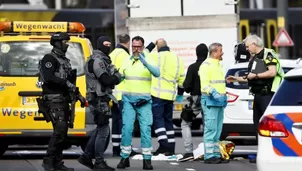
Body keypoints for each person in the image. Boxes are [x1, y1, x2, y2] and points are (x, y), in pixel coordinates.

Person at [226, 34, 284, 163]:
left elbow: (272, 72)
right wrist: (236, 78)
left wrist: (256, 76)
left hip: (267, 95)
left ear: (254, 44)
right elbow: (249, 76)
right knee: (257, 126)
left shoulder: (268, 54)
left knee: (269, 126)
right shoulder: (255, 58)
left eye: (247, 46)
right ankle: (262, 153)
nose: (247, 49)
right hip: (258, 96)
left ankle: (273, 153)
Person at [39, 32, 86, 171]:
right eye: (65, 42)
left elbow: (70, 83)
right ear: (57, 43)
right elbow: (49, 77)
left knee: (63, 133)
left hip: (63, 99)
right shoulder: (49, 58)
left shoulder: (65, 60)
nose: (67, 45)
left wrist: (79, 96)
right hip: (53, 99)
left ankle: (57, 163)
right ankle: (48, 161)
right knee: (59, 131)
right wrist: (66, 84)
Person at [77, 36, 122, 171]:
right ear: (99, 45)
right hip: (98, 99)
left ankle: (86, 156)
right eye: (105, 44)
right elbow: (106, 80)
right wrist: (117, 77)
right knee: (103, 131)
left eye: (109, 44)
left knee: (100, 129)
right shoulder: (98, 61)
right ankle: (98, 162)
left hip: (99, 98)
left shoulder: (101, 60)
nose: (108, 46)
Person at [117, 36, 160, 170]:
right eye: (134, 47)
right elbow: (119, 78)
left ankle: (147, 160)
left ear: (142, 47)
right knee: (127, 129)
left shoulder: (149, 58)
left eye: (138, 47)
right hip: (128, 100)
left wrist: (145, 62)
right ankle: (124, 158)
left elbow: (157, 73)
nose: (136, 49)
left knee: (146, 129)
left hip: (144, 101)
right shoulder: (126, 60)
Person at [145, 39, 185, 156]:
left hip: (157, 95)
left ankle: (163, 145)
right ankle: (171, 147)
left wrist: (152, 43)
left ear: (158, 48)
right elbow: (182, 79)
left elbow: (144, 53)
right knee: (168, 121)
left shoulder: (155, 57)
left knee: (158, 120)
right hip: (170, 96)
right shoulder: (177, 59)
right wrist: (180, 94)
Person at [199, 42, 228, 164]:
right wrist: (215, 93)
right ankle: (209, 155)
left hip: (219, 103)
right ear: (214, 52)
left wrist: (223, 96)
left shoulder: (218, 65)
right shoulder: (206, 65)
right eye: (220, 51)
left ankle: (215, 153)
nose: (222, 53)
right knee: (211, 129)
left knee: (217, 130)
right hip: (210, 102)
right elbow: (205, 84)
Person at [178, 43, 208, 162]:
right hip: (209, 98)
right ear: (207, 53)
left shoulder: (192, 67)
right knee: (208, 125)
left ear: (196, 53)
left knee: (185, 123)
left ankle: (189, 151)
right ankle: (209, 150)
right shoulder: (210, 66)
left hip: (196, 99)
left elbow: (187, 86)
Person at [109, 34, 136, 157]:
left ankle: (116, 148)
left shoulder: (112, 54)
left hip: (113, 95)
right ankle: (126, 148)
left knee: (116, 122)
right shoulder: (125, 56)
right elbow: (129, 74)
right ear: (128, 42)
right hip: (123, 95)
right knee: (126, 123)